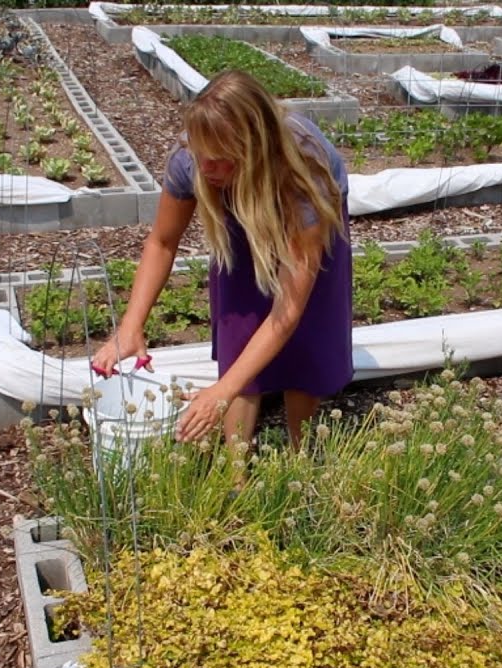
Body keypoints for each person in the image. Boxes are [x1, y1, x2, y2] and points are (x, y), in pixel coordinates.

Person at [90, 70, 354, 452]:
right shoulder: (193, 161)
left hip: (299, 214)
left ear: (252, 149)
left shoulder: (304, 175)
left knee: (306, 342)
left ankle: (302, 459)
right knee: (240, 328)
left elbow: (288, 309)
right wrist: (131, 324)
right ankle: (235, 481)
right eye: (200, 156)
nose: (204, 168)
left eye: (217, 160)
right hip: (239, 202)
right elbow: (162, 243)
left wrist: (219, 393)